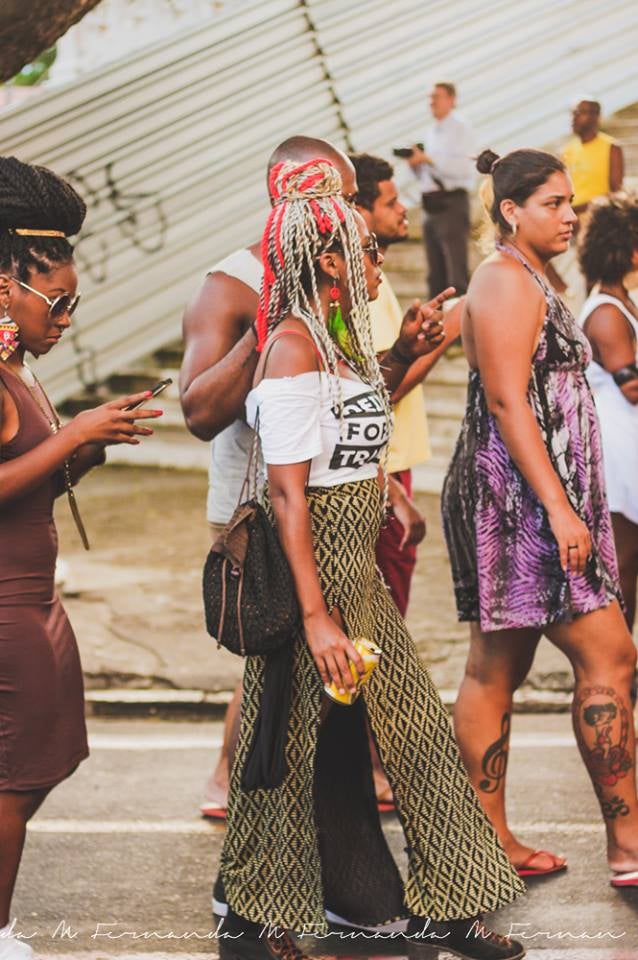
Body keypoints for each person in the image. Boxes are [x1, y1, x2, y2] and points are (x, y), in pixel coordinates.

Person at [218, 156, 525, 960]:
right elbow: (289, 494)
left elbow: (351, 427)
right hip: (312, 580)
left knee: (418, 737)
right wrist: (317, 619)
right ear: (328, 261)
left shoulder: (340, 337)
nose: (380, 257)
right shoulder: (291, 348)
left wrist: (404, 356)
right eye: (366, 247)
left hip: (358, 573)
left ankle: (448, 906)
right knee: (284, 752)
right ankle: (252, 920)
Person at [181, 138, 451, 829]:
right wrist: (272, 321)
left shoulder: (342, 280)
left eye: (354, 197)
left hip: (334, 511)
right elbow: (198, 414)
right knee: (283, 678)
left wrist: (401, 355)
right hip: (266, 512)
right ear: (292, 198)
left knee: (317, 687)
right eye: (342, 197)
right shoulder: (233, 284)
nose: (354, 212)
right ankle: (245, 804)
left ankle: (326, 826)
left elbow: (342, 407)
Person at [442, 147, 638, 888]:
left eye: (571, 203)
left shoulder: (529, 276)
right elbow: (505, 400)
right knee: (610, 656)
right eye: (553, 203)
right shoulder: (502, 279)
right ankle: (629, 845)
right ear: (510, 210)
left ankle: (487, 846)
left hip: (531, 495)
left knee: (497, 666)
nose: (570, 216)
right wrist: (559, 509)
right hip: (519, 503)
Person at [0, 156, 161, 960]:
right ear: (5, 287)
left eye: (74, 304)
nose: (66, 319)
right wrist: (73, 436)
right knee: (17, 774)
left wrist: (90, 445)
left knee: (45, 760)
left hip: (34, 596)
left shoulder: (16, 369)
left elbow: (33, 481)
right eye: (56, 302)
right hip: (6, 606)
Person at [350, 151, 462, 616]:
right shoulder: (360, 289)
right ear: (360, 210)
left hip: (389, 466)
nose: (403, 210)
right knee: (382, 614)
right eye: (391, 202)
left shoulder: (376, 278)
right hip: (379, 469)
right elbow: (381, 387)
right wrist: (448, 331)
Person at [577, 194, 638, 633]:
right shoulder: (604, 312)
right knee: (623, 564)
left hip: (629, 443)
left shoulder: (622, 300)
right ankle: (617, 660)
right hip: (616, 453)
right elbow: (632, 386)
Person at [549, 98, 624, 309]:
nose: (574, 118)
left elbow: (615, 192)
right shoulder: (567, 151)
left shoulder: (611, 147)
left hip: (599, 220)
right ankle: (571, 299)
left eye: (579, 113)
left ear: (595, 117)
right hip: (571, 219)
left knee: (599, 274)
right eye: (573, 113)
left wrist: (581, 210)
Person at [403, 82, 475, 296]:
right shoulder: (432, 131)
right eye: (430, 97)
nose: (432, 102)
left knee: (455, 270)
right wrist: (416, 164)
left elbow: (463, 168)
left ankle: (459, 314)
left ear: (452, 100)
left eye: (437, 97)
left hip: (451, 202)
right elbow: (428, 174)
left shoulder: (461, 128)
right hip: (431, 203)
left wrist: (429, 159)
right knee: (435, 272)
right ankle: (438, 313)